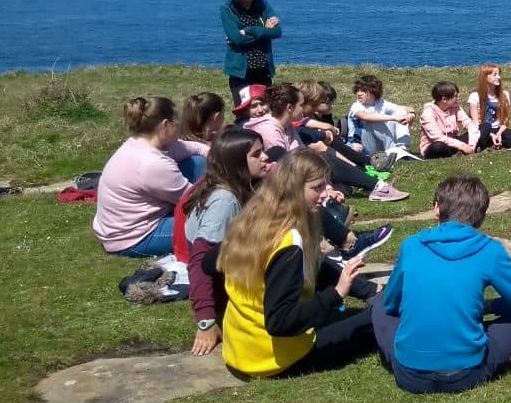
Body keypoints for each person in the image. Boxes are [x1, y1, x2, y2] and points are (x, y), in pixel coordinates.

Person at [208, 148, 379, 378]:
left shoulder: (254, 219)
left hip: (240, 351)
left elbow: (209, 263)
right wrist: (336, 294)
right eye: (317, 187)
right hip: (275, 361)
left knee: (323, 275)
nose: (325, 194)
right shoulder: (289, 243)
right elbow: (280, 322)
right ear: (294, 189)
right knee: (378, 318)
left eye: (325, 186)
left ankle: (374, 293)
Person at [373, 175, 511, 394]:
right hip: (466, 373)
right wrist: (496, 307)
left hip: (409, 374)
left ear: (436, 208)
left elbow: (392, 304)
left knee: (379, 303)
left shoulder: (411, 246)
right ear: (481, 216)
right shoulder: (490, 251)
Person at [182, 126, 270, 356]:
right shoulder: (224, 200)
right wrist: (206, 321)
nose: (265, 157)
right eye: (256, 154)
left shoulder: (233, 187)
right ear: (236, 162)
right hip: (227, 289)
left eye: (263, 151)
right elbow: (200, 263)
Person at [93, 97, 196, 257]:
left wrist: (215, 152)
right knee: (215, 223)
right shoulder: (154, 164)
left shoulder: (137, 144)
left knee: (197, 161)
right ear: (165, 125)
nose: (179, 127)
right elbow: (197, 201)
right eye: (176, 123)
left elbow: (186, 148)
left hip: (119, 228)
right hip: (134, 238)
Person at [296, 80, 406, 201]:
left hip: (306, 166)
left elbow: (307, 129)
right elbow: (311, 138)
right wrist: (323, 133)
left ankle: (370, 177)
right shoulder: (286, 124)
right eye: (313, 105)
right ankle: (376, 184)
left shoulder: (300, 121)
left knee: (345, 188)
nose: (315, 108)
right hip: (298, 168)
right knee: (326, 157)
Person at [220, 0, 281, 113]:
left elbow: (277, 32)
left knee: (264, 111)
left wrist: (250, 31)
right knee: (243, 112)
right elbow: (236, 38)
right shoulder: (227, 9)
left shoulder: (263, 5)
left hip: (262, 69)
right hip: (241, 72)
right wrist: (264, 30)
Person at [347, 73, 418, 163]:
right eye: (357, 90)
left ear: (373, 91)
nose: (359, 94)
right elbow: (365, 117)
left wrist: (411, 114)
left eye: (363, 91)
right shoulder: (356, 106)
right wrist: (394, 118)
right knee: (373, 121)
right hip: (362, 145)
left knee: (401, 111)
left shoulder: (381, 103)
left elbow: (406, 108)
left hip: (380, 144)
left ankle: (402, 148)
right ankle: (394, 151)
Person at [467, 64, 511, 151]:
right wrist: (491, 134)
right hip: (483, 129)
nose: (499, 77)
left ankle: (496, 142)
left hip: (497, 128)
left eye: (499, 74)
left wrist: (499, 133)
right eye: (495, 75)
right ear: (485, 77)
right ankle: (488, 141)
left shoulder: (505, 95)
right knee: (482, 133)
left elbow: (505, 120)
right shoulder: (475, 96)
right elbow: (476, 123)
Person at [420, 81, 478, 158]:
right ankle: (456, 154)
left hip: (454, 143)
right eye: (455, 96)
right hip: (436, 145)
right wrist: (461, 145)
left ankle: (466, 151)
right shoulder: (428, 113)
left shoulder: (455, 108)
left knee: (484, 127)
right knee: (438, 146)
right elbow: (438, 137)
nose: (457, 99)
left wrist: (471, 144)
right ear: (444, 99)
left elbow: (469, 124)